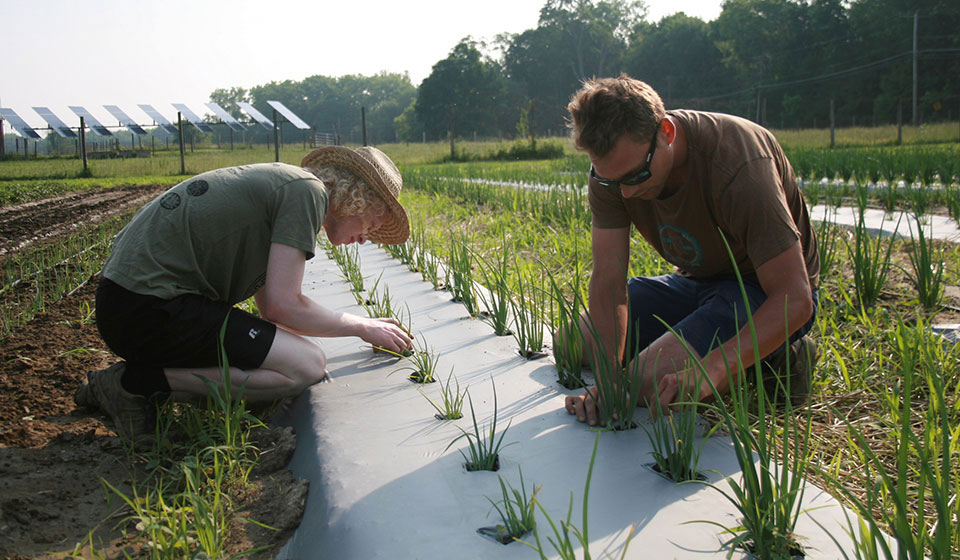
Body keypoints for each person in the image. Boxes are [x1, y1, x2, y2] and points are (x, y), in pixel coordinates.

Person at [75, 146, 414, 441]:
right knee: (306, 365)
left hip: (130, 304)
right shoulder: (307, 194)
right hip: (149, 308)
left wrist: (358, 325)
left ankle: (152, 385)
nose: (368, 236)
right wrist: (361, 326)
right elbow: (284, 306)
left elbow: (271, 309)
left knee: (285, 356)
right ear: (357, 197)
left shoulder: (288, 187)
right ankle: (135, 385)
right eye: (372, 221)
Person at [563, 75, 820, 426]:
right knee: (572, 343)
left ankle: (777, 357)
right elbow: (609, 276)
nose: (624, 194)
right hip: (698, 282)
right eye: (610, 181)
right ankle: (694, 348)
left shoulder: (738, 164)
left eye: (635, 177)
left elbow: (796, 297)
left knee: (644, 381)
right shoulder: (613, 172)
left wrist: (713, 368)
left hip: (761, 289)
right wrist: (608, 381)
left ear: (666, 133)